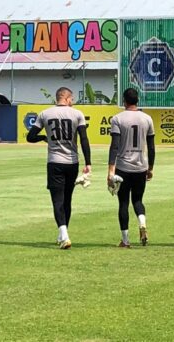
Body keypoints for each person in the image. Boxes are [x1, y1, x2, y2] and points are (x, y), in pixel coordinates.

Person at [26, 87, 91, 250]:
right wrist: (88, 162)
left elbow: (30, 137)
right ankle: (63, 233)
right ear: (67, 98)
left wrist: (43, 137)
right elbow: (84, 139)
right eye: (72, 98)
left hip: (54, 162)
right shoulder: (77, 114)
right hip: (72, 162)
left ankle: (64, 234)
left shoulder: (45, 114)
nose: (73, 101)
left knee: (57, 200)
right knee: (67, 199)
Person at [107, 88, 155, 248]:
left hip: (123, 167)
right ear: (137, 100)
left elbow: (114, 146)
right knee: (138, 200)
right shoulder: (147, 118)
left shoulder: (117, 119)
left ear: (124, 101)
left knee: (123, 203)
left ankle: (125, 240)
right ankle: (142, 223)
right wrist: (151, 167)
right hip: (141, 166)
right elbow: (152, 146)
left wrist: (111, 170)